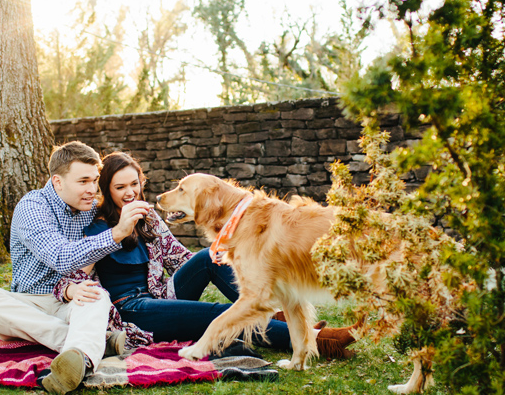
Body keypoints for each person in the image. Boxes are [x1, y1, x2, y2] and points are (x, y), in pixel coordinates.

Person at [53, 151, 358, 359]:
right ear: (107, 189)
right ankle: (320, 341)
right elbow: (71, 276)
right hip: (131, 310)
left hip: (160, 295)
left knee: (209, 258)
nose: (130, 193)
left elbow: (181, 259)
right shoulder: (95, 226)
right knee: (216, 313)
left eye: (135, 184)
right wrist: (117, 230)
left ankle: (268, 306)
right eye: (120, 187)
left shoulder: (149, 218)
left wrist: (237, 257)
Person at [0, 141, 151, 395]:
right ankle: (93, 342)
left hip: (71, 302)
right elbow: (61, 256)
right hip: (29, 303)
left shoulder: (91, 210)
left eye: (95, 180)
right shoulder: (33, 208)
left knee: (97, 295)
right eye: (83, 181)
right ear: (57, 181)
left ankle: (78, 360)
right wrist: (116, 234)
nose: (91, 189)